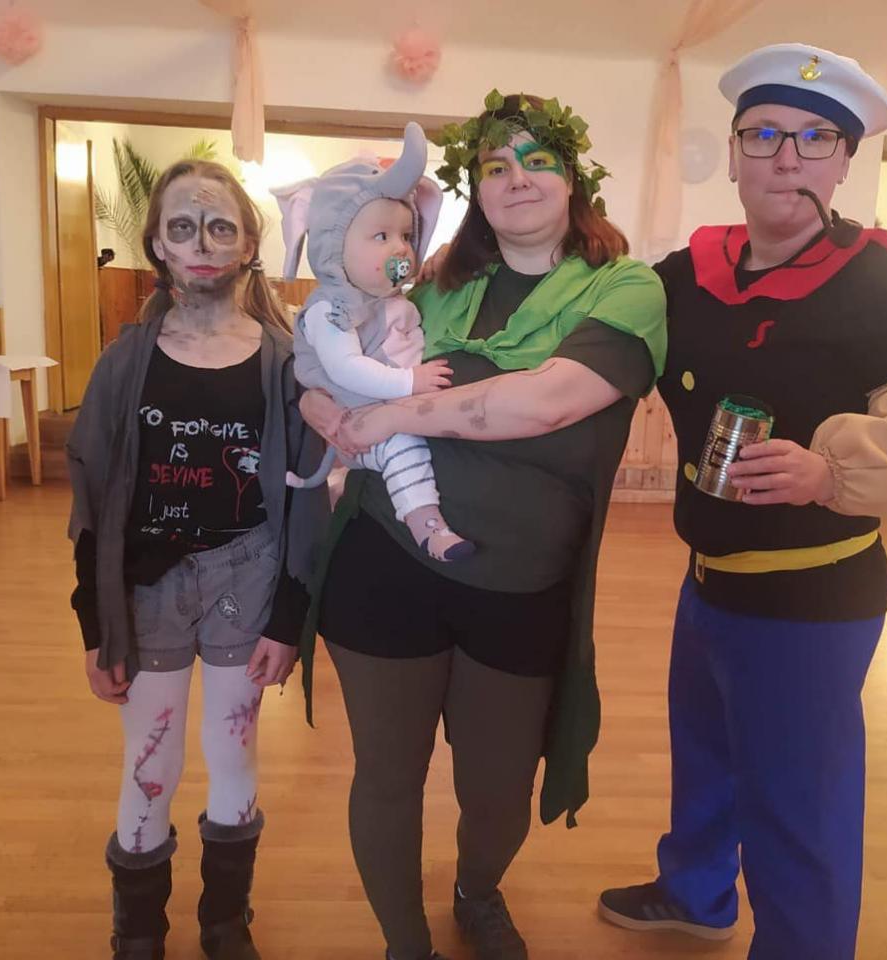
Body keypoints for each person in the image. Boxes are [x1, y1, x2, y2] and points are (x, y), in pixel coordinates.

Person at [594, 43, 887, 959]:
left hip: (813, 597)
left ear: (844, 162)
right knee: (706, 756)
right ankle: (696, 894)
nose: (788, 156)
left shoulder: (883, 284)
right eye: (766, 134)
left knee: (797, 804)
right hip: (708, 579)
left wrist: (832, 474)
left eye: (817, 138)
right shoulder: (684, 276)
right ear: (733, 153)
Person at [297, 91, 667, 960]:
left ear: (574, 179)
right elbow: (325, 340)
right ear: (477, 189)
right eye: (496, 166)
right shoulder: (432, 284)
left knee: (499, 789)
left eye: (538, 160)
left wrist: (390, 417)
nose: (517, 179)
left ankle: (476, 889)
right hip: (386, 559)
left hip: (523, 579)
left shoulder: (626, 287)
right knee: (387, 774)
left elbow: (544, 403)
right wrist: (320, 401)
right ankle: (405, 943)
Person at [66, 159, 328, 960]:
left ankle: (223, 918)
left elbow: (306, 496)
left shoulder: (285, 363)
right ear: (158, 245)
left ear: (249, 245)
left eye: (220, 227)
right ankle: (139, 926)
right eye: (183, 227)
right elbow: (91, 493)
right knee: (151, 757)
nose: (202, 243)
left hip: (248, 575)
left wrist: (289, 618)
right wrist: (93, 622)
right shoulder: (125, 363)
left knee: (233, 747)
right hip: (146, 587)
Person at [273, 121, 473, 560]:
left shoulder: (390, 300)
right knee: (404, 447)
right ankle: (427, 526)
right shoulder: (331, 308)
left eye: (406, 236)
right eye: (382, 236)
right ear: (335, 246)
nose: (400, 249)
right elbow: (345, 368)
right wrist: (410, 382)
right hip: (361, 420)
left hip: (390, 412)